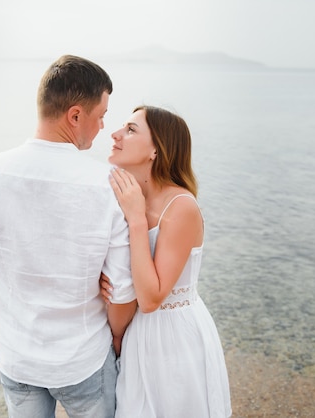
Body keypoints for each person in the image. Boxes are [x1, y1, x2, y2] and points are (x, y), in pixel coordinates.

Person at [0, 55, 137, 418]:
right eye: (100, 116)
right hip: (82, 359)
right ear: (76, 116)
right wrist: (116, 341)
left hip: (17, 355)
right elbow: (121, 289)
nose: (102, 128)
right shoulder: (106, 185)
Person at [102, 105, 232, 417]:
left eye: (131, 130)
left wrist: (135, 219)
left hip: (175, 338)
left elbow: (150, 298)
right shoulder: (126, 196)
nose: (116, 134)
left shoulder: (181, 207)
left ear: (156, 150)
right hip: (136, 334)